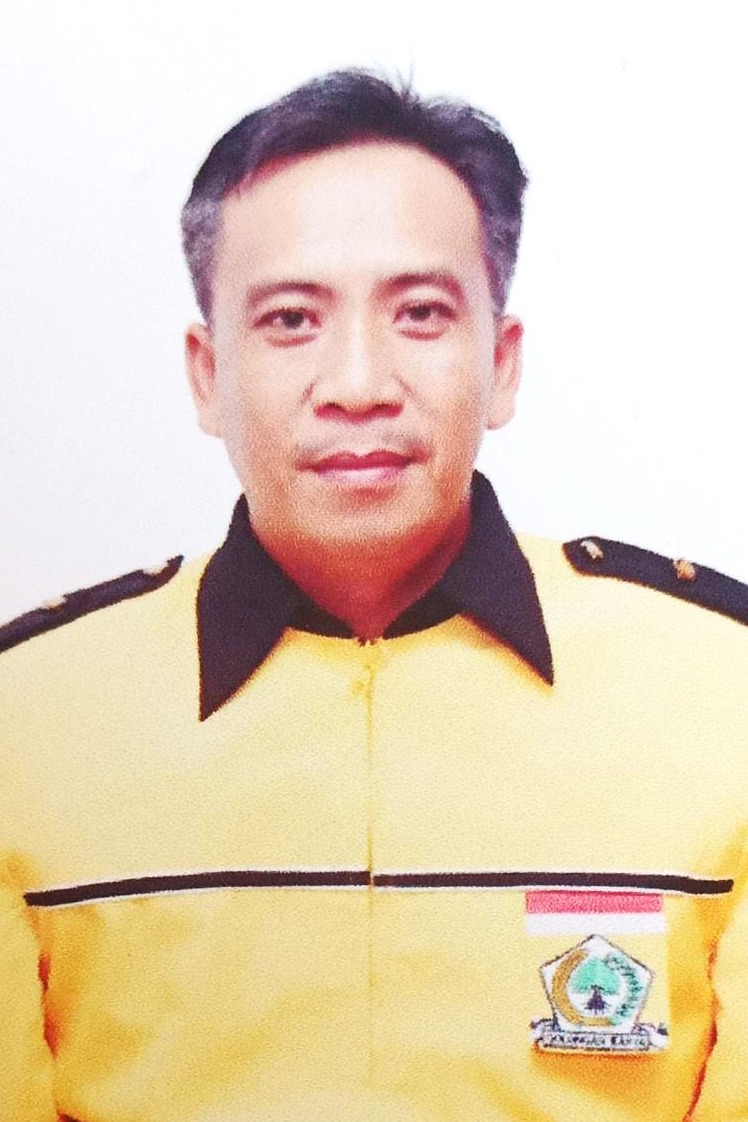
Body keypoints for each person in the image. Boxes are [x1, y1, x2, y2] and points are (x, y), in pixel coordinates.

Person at [1, 69, 748, 1122]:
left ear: (502, 363)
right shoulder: (27, 727)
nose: (357, 384)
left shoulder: (723, 695)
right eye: (291, 319)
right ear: (207, 373)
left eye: (422, 313)